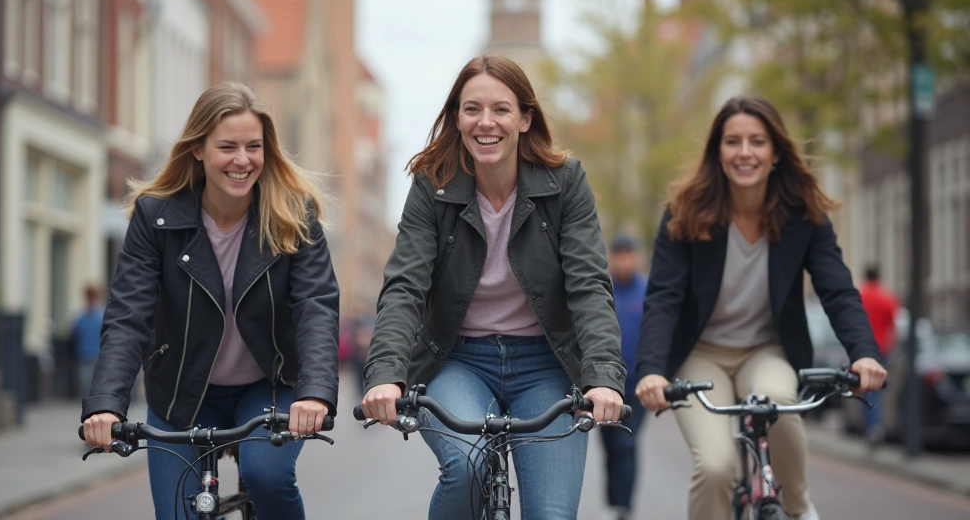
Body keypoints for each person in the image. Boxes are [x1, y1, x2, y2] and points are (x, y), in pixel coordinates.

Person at [360, 55, 626, 520]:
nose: (487, 122)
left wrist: (603, 378)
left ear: (525, 118)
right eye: (472, 109)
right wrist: (386, 372)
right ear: (456, 118)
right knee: (467, 466)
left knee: (552, 514)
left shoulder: (566, 183)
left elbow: (589, 286)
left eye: (501, 109)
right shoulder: (432, 186)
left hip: (547, 366)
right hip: (458, 361)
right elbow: (405, 285)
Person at [80, 82, 340, 520]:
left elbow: (315, 306)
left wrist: (314, 394)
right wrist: (106, 402)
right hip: (181, 393)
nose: (243, 160)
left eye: (254, 146)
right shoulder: (155, 217)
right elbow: (129, 316)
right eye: (228, 147)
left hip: (267, 388)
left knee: (267, 478)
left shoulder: (294, 215)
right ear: (198, 149)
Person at [633, 96, 887, 520]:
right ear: (718, 152)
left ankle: (797, 508)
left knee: (779, 401)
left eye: (757, 141)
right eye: (733, 141)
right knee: (715, 467)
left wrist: (865, 353)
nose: (745, 152)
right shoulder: (685, 213)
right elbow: (663, 298)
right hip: (701, 356)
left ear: (775, 153)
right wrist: (651, 370)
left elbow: (838, 291)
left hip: (765, 351)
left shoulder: (804, 215)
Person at [600, 234, 648, 520]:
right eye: (618, 254)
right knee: (610, 446)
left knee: (626, 444)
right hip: (606, 384)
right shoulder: (603, 289)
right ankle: (615, 498)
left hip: (637, 385)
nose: (623, 260)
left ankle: (624, 506)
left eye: (628, 254)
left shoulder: (648, 291)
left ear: (636, 257)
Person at [858, 264, 899, 445]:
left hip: (862, 350)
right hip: (883, 350)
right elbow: (894, 326)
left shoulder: (859, 295)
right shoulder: (887, 297)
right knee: (878, 390)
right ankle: (876, 426)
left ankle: (872, 426)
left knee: (865, 390)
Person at [71, 284, 104, 397]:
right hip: (87, 356)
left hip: (93, 356)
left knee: (89, 387)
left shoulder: (82, 317)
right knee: (89, 387)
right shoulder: (83, 317)